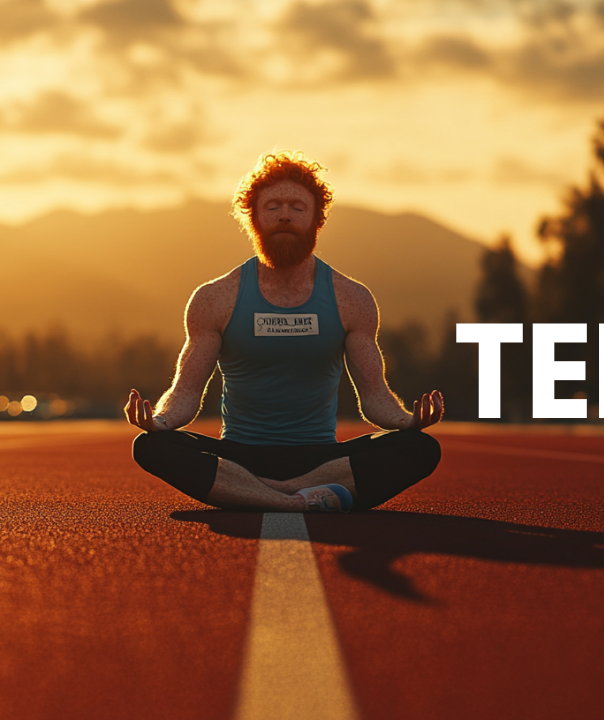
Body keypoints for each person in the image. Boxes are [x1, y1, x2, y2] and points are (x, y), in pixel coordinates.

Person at [125, 151, 443, 512]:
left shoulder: (351, 298)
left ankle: (262, 494)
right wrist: (161, 420)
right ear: (254, 219)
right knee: (150, 445)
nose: (285, 215)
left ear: (316, 220)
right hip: (239, 456)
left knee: (421, 447)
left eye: (297, 207)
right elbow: (186, 391)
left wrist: (406, 420)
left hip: (322, 459)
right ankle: (300, 500)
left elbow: (373, 395)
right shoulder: (215, 298)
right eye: (273, 206)